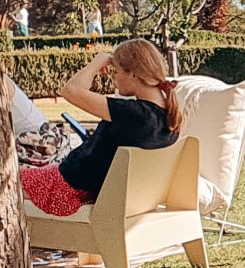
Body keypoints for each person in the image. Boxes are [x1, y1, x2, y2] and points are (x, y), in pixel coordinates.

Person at [20, 38, 181, 217]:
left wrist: (99, 61)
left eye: (116, 71)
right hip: (98, 192)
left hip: (70, 192)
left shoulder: (133, 114)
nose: (113, 78)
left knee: (7, 178)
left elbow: (70, 90)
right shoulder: (168, 118)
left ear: (133, 75)